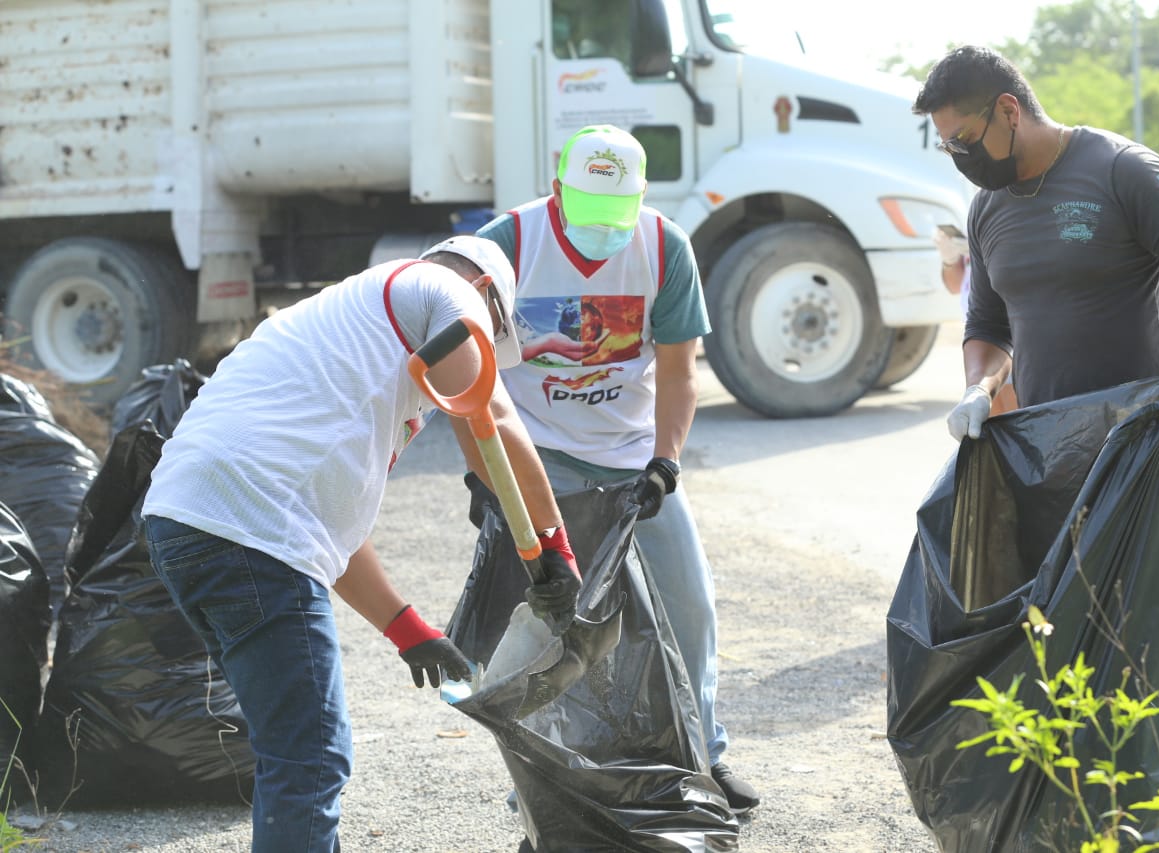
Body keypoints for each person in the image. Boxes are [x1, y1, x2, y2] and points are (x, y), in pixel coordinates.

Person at [140, 236, 583, 853]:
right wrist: (555, 545)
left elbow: (326, 524)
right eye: (493, 330)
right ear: (485, 292)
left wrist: (407, 629)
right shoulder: (446, 289)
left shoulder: (349, 332)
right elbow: (492, 424)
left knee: (290, 747)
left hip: (184, 522)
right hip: (249, 528)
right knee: (309, 757)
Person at [471, 124, 760, 814]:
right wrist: (487, 474)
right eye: (589, 210)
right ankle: (541, 774)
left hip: (631, 457)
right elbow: (467, 369)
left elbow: (679, 372)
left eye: (616, 211)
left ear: (642, 195)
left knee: (688, 603)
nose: (604, 229)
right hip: (537, 458)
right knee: (546, 624)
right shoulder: (509, 245)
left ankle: (704, 753)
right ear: (557, 189)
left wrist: (665, 461)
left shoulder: (663, 246)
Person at [913, 46, 1159, 474]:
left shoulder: (1122, 170)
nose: (962, 159)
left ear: (1009, 110)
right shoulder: (986, 211)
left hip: (1141, 447)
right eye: (950, 147)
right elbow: (989, 326)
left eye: (966, 141)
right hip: (1046, 452)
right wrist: (979, 388)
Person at [933, 224, 1018, 416]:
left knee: (1016, 414)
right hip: (979, 331)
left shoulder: (1001, 216)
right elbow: (955, 285)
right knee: (990, 415)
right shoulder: (971, 217)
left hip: (1009, 329)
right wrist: (950, 259)